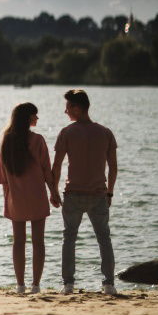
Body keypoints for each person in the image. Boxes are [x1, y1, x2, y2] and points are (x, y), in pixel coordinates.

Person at [52, 89, 118, 295]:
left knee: (69, 238)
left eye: (68, 107)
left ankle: (68, 284)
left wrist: (53, 191)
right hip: (99, 194)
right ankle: (109, 284)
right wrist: (110, 192)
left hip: (73, 194)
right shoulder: (105, 132)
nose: (65, 111)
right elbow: (113, 167)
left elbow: (57, 166)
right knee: (104, 238)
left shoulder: (67, 133)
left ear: (77, 108)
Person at [0, 102, 62, 294]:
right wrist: (54, 192)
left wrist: (7, 200)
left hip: (15, 197)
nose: (37, 118)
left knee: (18, 242)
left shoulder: (5, 142)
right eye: (35, 115)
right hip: (36, 196)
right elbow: (46, 171)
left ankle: (20, 285)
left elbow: (2, 178)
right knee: (38, 241)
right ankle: (35, 285)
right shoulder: (38, 140)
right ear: (28, 118)